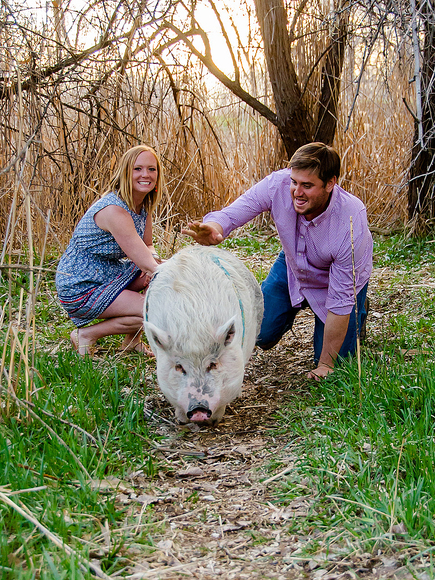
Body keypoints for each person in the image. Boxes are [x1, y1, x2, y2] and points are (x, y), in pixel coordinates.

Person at [183, 142, 372, 380]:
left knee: (336, 367)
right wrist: (213, 227)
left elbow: (341, 301)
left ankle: (358, 316)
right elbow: (235, 211)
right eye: (295, 182)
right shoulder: (278, 184)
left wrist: (325, 365)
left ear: (331, 183)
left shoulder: (351, 220)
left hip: (339, 279)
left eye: (307, 185)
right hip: (294, 265)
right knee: (260, 332)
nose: (297, 191)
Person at [56, 144, 163, 356]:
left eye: (152, 169)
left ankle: (132, 341)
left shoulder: (143, 206)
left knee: (155, 276)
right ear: (126, 172)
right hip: (80, 282)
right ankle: (86, 335)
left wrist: (153, 263)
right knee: (155, 310)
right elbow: (145, 262)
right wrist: (158, 268)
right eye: (137, 169)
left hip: (108, 274)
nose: (146, 175)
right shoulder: (114, 210)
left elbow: (147, 246)